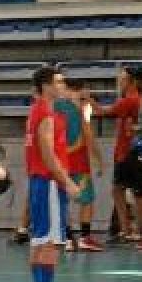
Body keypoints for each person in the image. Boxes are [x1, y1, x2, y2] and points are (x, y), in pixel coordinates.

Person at [26, 66, 81, 282]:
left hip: (38, 182)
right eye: (58, 82)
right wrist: (67, 182)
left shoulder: (36, 111)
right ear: (46, 86)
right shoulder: (46, 115)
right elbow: (49, 156)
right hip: (49, 183)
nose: (62, 86)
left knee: (39, 240)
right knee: (51, 241)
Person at [93, 67, 142, 249]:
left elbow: (102, 111)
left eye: (122, 80)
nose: (119, 83)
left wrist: (85, 100)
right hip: (130, 152)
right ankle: (132, 228)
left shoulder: (130, 100)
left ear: (131, 82)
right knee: (125, 190)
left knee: (127, 191)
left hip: (128, 153)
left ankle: (135, 230)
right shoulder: (137, 100)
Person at [59, 78, 104, 252]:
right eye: (84, 91)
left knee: (63, 200)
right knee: (87, 199)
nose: (86, 94)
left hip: (59, 162)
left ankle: (69, 238)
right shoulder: (81, 109)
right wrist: (98, 159)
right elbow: (88, 136)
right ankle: (85, 237)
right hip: (77, 162)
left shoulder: (55, 107)